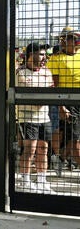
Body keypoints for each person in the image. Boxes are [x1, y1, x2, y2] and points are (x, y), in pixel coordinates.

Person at [16, 43, 55, 194]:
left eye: (45, 54)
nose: (44, 57)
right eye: (41, 54)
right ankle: (25, 180)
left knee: (43, 149)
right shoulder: (20, 72)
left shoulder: (47, 72)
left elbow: (51, 92)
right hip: (27, 116)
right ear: (30, 55)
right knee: (29, 149)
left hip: (44, 116)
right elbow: (29, 96)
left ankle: (42, 180)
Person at [47, 28, 80, 173]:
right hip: (68, 103)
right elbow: (55, 86)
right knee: (75, 139)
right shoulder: (56, 59)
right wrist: (61, 106)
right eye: (69, 38)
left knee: (73, 137)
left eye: (74, 38)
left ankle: (59, 159)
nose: (72, 41)